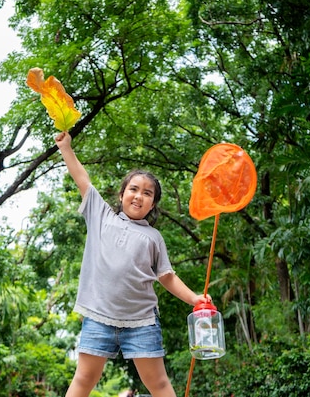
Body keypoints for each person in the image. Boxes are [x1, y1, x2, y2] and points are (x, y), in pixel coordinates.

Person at [54, 131, 211, 397]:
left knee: (159, 384)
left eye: (147, 193)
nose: (139, 196)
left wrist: (195, 299)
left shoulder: (154, 237)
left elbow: (167, 276)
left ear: (153, 204)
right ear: (122, 193)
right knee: (83, 379)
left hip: (141, 322)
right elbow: (82, 178)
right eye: (133, 189)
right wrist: (66, 148)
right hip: (99, 317)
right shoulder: (100, 215)